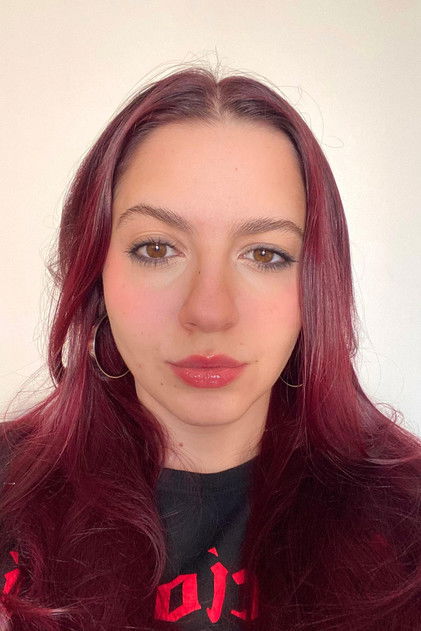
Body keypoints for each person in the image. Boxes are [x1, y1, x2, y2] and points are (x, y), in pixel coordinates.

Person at [0, 64, 420, 631]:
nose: (210, 311)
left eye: (265, 254)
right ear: (96, 273)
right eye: (156, 248)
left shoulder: (409, 524)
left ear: (317, 285)